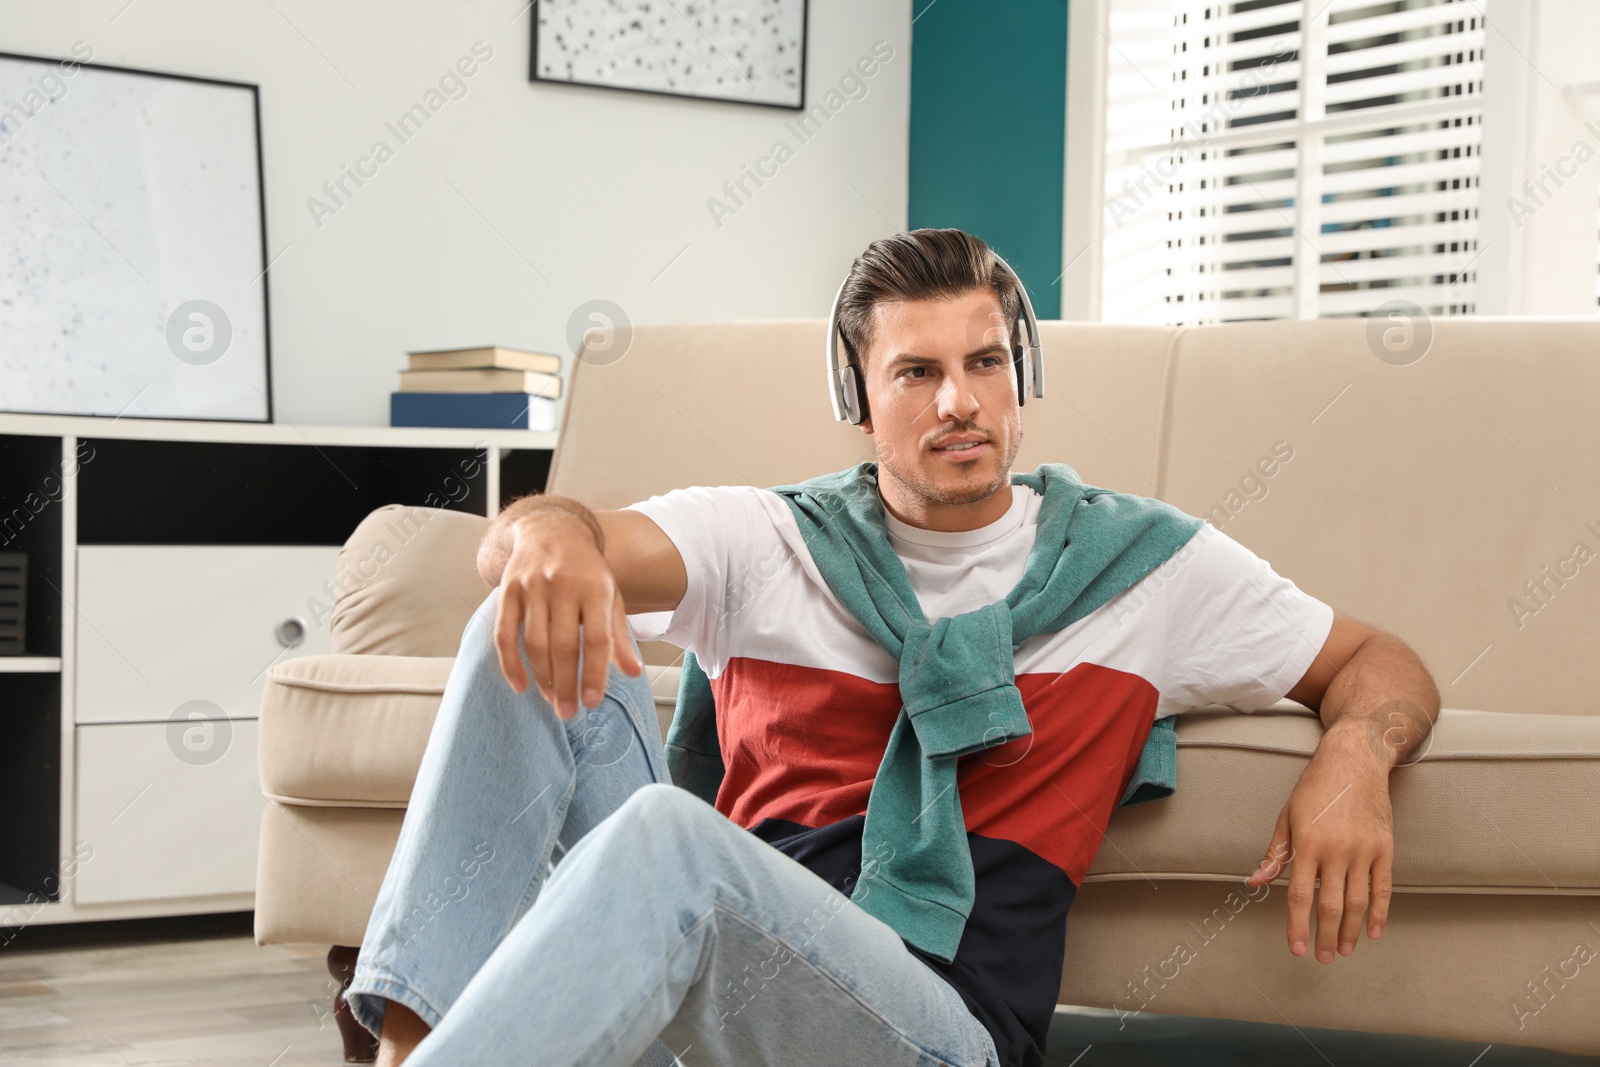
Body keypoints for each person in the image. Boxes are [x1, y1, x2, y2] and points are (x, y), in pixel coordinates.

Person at [345, 228, 1440, 1067]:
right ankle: (410, 1047)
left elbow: (1377, 661)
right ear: (857, 401)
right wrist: (543, 533)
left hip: (932, 1030)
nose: (960, 401)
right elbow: (566, 535)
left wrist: (1352, 759)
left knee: (668, 839)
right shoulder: (771, 538)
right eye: (916, 371)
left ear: (1021, 378)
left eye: (985, 362)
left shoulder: (1145, 564)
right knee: (520, 627)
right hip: (739, 966)